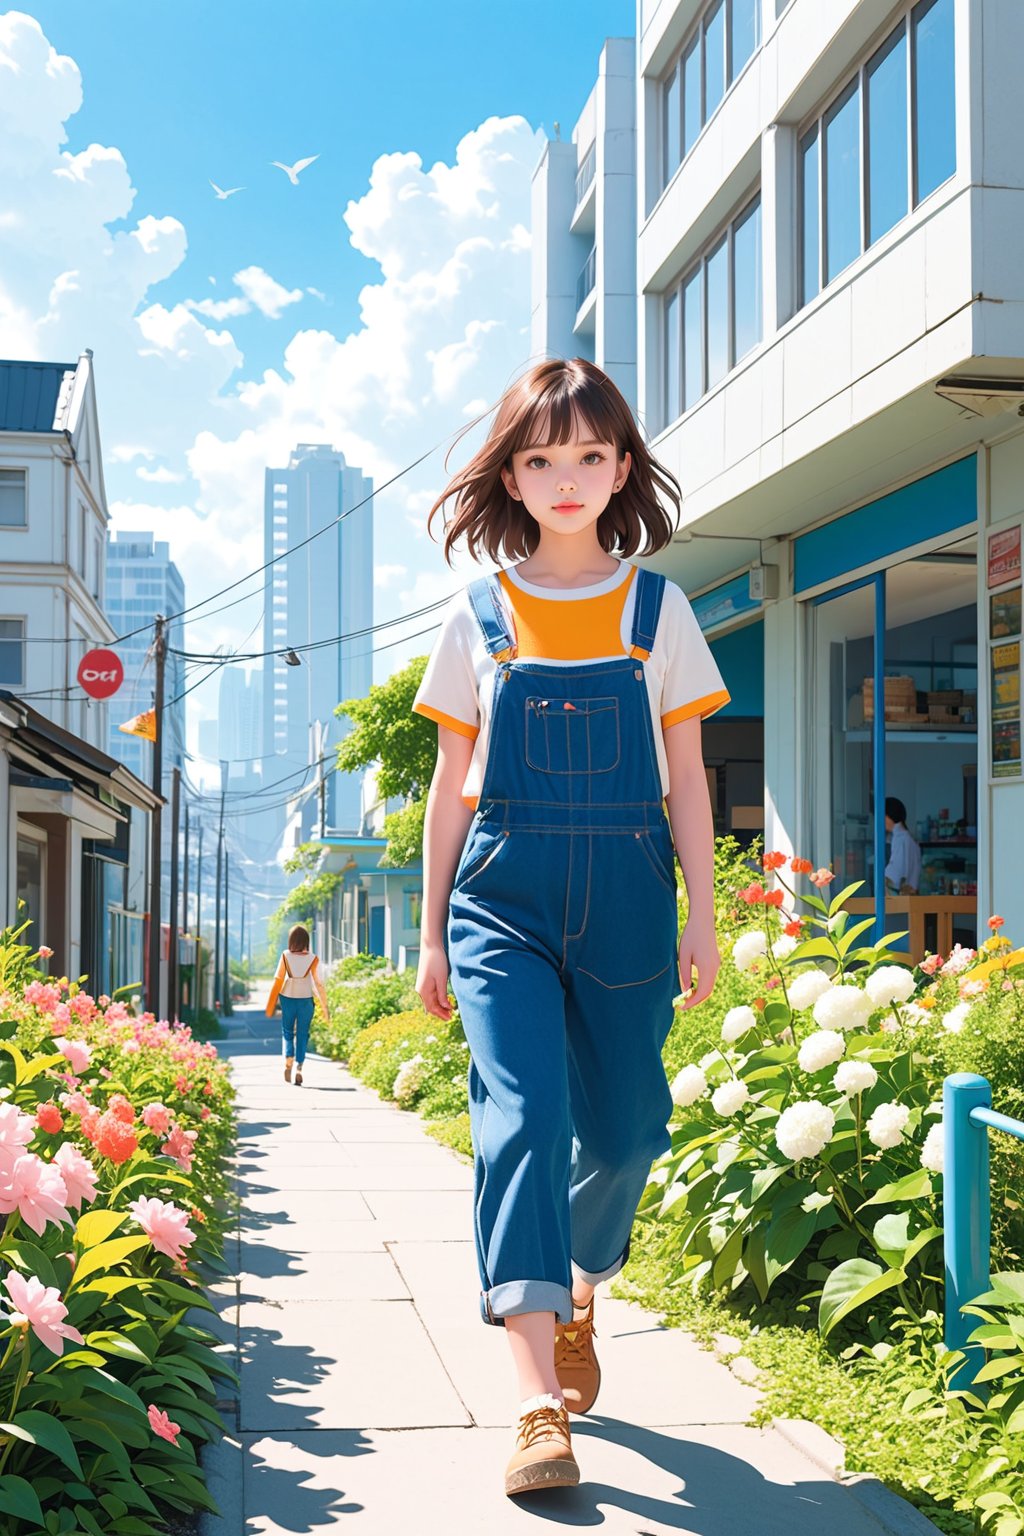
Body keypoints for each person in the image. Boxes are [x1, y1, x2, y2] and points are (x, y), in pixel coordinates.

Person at [413, 358, 728, 1498]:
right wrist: (432, 931)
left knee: (631, 1129)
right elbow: (451, 786)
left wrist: (703, 915)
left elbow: (689, 780)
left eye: (588, 455)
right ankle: (536, 1405)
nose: (564, 477)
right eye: (539, 458)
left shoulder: (660, 608)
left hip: (634, 889)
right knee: (522, 1120)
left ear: (622, 468)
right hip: (503, 893)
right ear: (508, 472)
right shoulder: (479, 612)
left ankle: (586, 1277)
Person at [264, 924, 328, 1087]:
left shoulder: (285, 955)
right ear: (306, 941)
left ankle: (288, 1061)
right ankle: (299, 1068)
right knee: (302, 1033)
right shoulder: (313, 958)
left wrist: (270, 1005)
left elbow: (278, 980)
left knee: (287, 1031)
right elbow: (319, 984)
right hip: (306, 1000)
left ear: (291, 940)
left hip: (288, 998)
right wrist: (325, 1008)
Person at [885, 796, 922, 895]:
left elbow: (897, 871)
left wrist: (882, 879)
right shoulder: (908, 838)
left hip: (899, 897)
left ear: (888, 817)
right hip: (910, 896)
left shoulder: (900, 839)